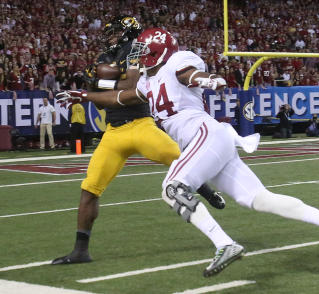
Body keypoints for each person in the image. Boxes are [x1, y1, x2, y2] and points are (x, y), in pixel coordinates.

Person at [57, 27, 319, 277]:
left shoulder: (177, 61)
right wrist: (84, 95)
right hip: (210, 142)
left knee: (171, 188)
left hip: (204, 134)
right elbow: (120, 97)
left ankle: (224, 243)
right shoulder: (149, 81)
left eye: (145, 52)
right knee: (257, 198)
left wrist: (207, 79)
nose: (140, 58)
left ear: (159, 51)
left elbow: (188, 75)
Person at [52, 17, 225, 266]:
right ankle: (80, 250)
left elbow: (131, 85)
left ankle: (206, 189)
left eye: (114, 32)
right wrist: (91, 91)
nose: (110, 37)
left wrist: (97, 82)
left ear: (127, 31)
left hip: (141, 124)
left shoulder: (138, 49)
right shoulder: (104, 56)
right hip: (113, 132)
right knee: (89, 189)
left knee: (183, 159)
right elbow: (107, 96)